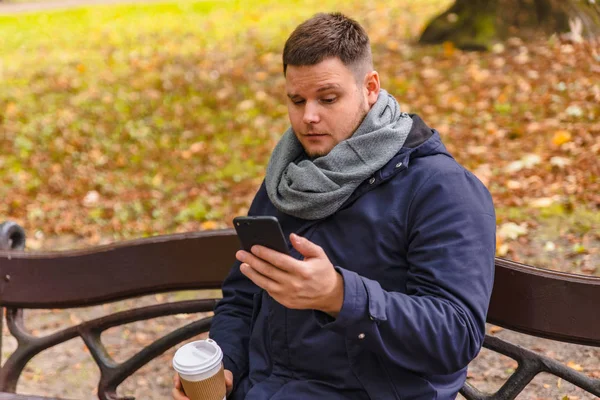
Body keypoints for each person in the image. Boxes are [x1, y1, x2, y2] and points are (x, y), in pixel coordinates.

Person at [173, 12, 495, 400]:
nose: (309, 117)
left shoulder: (440, 188)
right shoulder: (289, 178)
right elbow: (243, 297)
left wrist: (340, 297)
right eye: (297, 100)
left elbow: (455, 335)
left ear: (370, 87)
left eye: (328, 99)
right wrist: (228, 365)